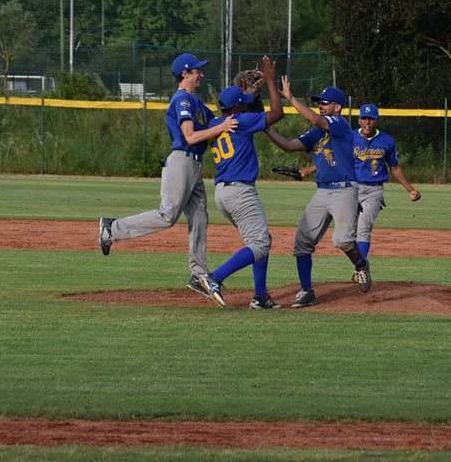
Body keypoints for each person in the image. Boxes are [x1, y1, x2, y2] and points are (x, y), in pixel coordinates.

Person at [98, 52, 237, 297]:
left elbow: (220, 120)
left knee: (199, 218)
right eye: (196, 71)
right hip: (181, 161)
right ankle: (113, 228)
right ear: (185, 74)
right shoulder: (182, 100)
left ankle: (199, 274)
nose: (201, 74)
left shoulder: (197, 103)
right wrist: (221, 127)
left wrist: (242, 92)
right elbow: (191, 137)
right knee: (168, 214)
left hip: (194, 164)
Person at [264, 79, 371, 308]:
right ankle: (307, 291)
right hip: (322, 190)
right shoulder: (316, 133)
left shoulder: (340, 125)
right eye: (319, 102)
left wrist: (291, 99)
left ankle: (361, 266)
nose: (321, 105)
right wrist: (266, 128)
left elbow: (315, 118)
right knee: (301, 243)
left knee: (342, 240)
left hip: (345, 189)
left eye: (325, 102)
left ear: (338, 107)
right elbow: (289, 145)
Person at [197, 55, 285, 309]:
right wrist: (270, 81)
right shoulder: (240, 121)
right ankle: (213, 278)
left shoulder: (218, 123)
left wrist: (250, 90)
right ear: (237, 108)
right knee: (260, 243)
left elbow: (245, 104)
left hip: (223, 193)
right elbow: (277, 114)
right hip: (240, 192)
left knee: (259, 240)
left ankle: (260, 296)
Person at [300, 103, 422, 271]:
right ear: (359, 120)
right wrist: (308, 170)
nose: (367, 123)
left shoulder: (387, 141)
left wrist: (410, 189)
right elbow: (336, 160)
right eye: (364, 118)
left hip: (374, 190)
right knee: (349, 233)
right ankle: (361, 264)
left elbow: (394, 167)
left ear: (376, 121)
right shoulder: (349, 137)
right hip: (351, 189)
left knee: (364, 228)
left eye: (371, 119)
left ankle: (360, 271)